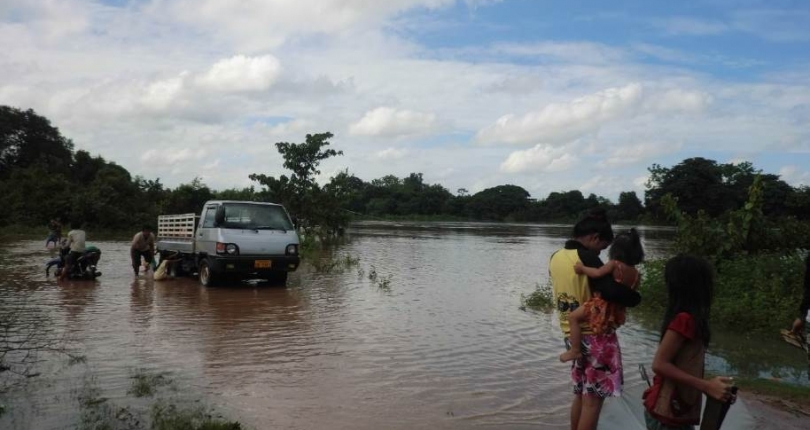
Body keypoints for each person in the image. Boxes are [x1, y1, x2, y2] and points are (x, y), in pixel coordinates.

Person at [548, 208, 642, 430]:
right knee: (593, 401)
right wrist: (636, 297)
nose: (601, 253)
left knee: (581, 394)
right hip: (596, 336)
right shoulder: (587, 258)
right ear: (594, 238)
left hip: (572, 335)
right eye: (602, 247)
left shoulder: (556, 257)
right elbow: (613, 292)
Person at [642, 254, 735, 430]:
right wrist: (706, 386)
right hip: (666, 414)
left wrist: (713, 387)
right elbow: (659, 364)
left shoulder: (693, 319)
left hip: (676, 410)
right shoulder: (684, 320)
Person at [560, 228, 644, 363]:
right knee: (604, 331)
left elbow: (597, 273)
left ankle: (575, 350)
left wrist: (582, 269)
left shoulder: (614, 264)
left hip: (602, 305)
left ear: (615, 250)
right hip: (617, 310)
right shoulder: (636, 274)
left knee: (573, 317)